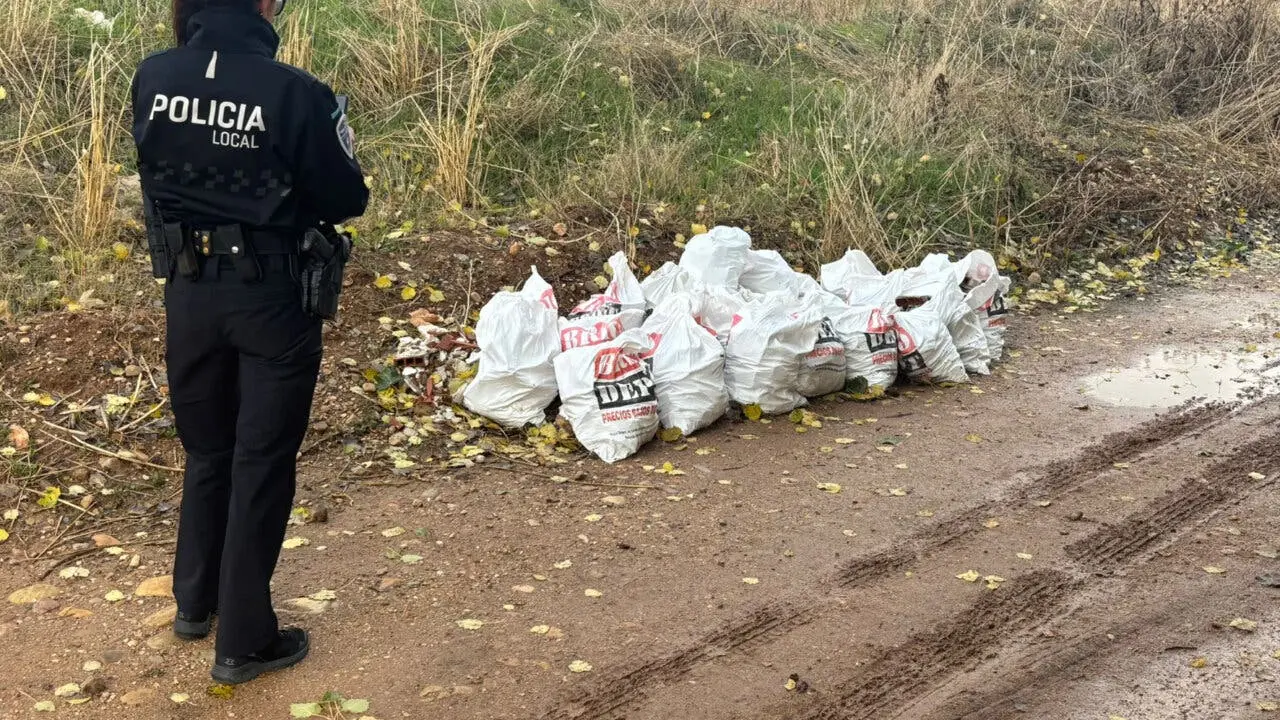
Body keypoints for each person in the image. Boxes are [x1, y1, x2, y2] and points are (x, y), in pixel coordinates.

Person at [130, 0, 368, 684]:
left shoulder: (154, 76)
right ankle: (244, 640)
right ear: (266, 4)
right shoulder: (295, 93)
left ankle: (194, 603)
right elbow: (345, 195)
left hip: (188, 292)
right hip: (270, 295)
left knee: (208, 449)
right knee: (261, 458)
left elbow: (155, 173)